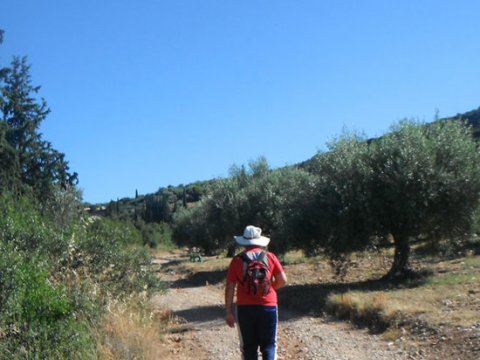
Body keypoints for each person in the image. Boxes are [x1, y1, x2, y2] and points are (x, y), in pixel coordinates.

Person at [225, 225, 287, 360]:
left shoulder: (236, 260)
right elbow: (283, 280)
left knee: (248, 347)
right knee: (269, 345)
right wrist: (268, 288)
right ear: (259, 241)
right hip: (268, 306)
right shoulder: (270, 256)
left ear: (244, 242)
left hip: (245, 309)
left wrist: (229, 311)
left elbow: (230, 287)